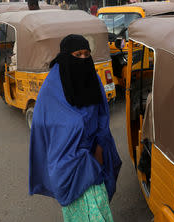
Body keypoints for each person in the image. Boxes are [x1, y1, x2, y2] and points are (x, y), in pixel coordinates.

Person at [29, 34, 122, 221]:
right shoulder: (52, 88)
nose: (83, 59)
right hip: (67, 167)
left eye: (87, 54)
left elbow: (102, 115)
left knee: (101, 212)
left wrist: (99, 149)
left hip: (95, 164)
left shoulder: (93, 79)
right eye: (77, 54)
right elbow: (41, 127)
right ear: (65, 57)